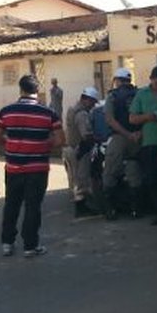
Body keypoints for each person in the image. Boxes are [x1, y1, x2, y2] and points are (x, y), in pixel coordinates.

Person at [0, 74, 64, 258]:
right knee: (33, 206)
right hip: (37, 168)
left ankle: (7, 243)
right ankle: (30, 246)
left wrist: (11, 142)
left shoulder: (6, 111)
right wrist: (42, 145)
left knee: (11, 205)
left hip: (14, 167)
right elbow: (61, 140)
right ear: (37, 90)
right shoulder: (48, 113)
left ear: (20, 89)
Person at [129, 66, 157, 225]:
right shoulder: (142, 95)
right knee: (153, 179)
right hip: (150, 143)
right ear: (151, 80)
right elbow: (132, 118)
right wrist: (148, 117)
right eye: (156, 82)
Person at [102, 67, 143, 220]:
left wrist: (126, 134)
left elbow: (109, 119)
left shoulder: (112, 96)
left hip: (120, 138)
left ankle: (110, 210)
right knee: (134, 170)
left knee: (110, 171)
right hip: (138, 138)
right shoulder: (139, 94)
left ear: (117, 80)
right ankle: (136, 210)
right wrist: (138, 133)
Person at [63, 86, 101, 219]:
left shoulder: (72, 109)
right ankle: (82, 209)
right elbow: (86, 135)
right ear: (86, 100)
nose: (93, 105)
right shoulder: (82, 114)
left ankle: (82, 206)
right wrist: (99, 138)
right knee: (82, 179)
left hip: (70, 149)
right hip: (80, 149)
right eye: (92, 102)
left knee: (75, 179)